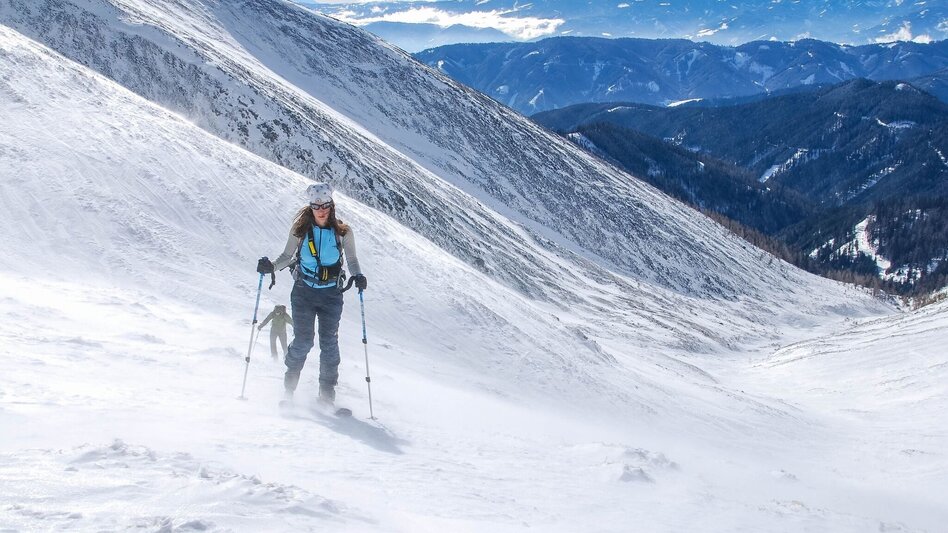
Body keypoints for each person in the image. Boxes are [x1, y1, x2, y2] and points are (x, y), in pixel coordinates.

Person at [257, 182, 367, 406]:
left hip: (331, 295)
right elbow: (287, 256)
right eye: (316, 206)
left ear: (331, 204)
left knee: (329, 344)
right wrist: (271, 267)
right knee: (304, 341)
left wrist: (358, 275)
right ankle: (288, 392)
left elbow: (352, 260)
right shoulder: (300, 229)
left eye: (325, 204)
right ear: (310, 206)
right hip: (304, 293)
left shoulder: (343, 231)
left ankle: (326, 398)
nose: (321, 209)